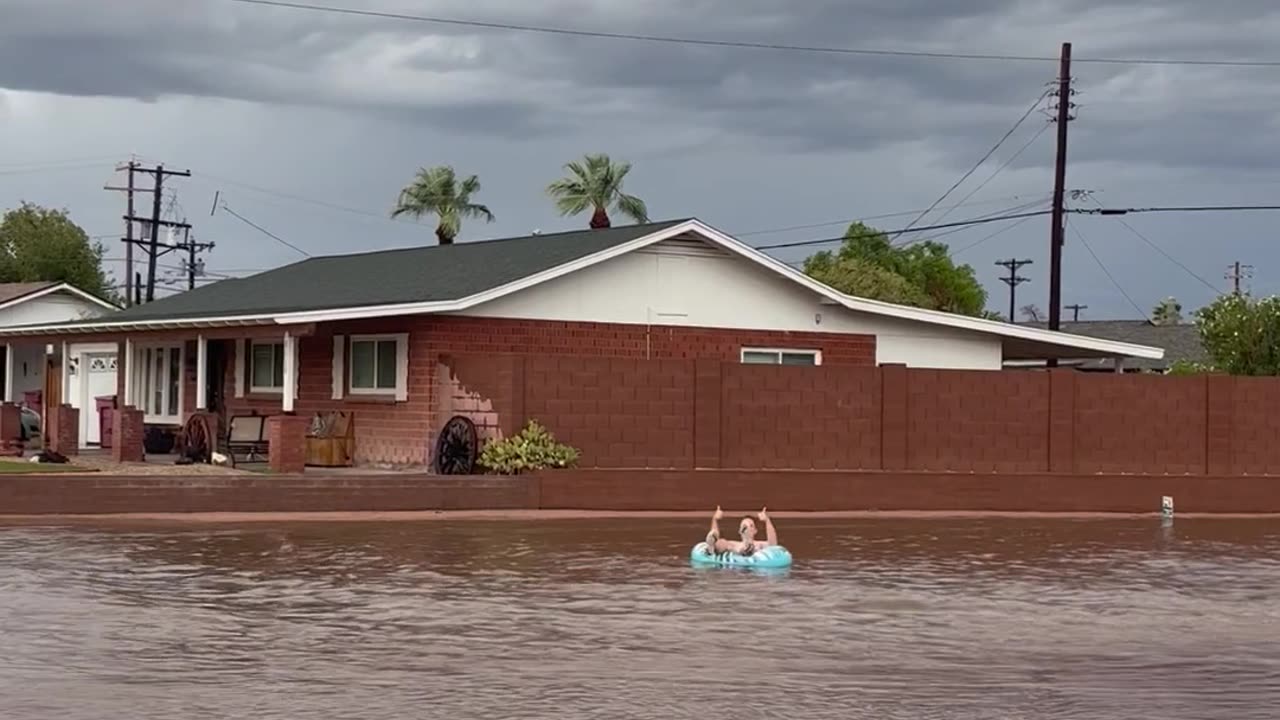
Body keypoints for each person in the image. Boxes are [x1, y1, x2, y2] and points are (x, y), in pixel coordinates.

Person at [704, 506, 777, 556]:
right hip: (737, 555)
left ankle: (748, 546)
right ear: (740, 531)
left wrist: (767, 520)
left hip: (751, 555)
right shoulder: (734, 544)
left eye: (750, 526)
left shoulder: (760, 544)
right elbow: (721, 544)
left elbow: (773, 544)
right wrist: (715, 519)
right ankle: (711, 545)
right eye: (744, 527)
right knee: (722, 542)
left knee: (748, 547)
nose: (748, 529)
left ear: (755, 531)